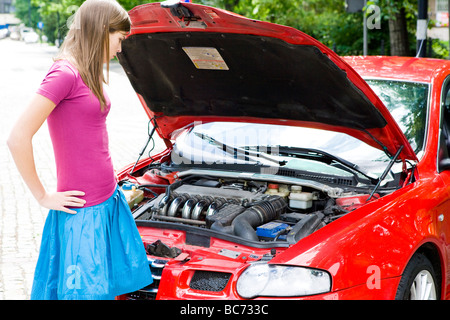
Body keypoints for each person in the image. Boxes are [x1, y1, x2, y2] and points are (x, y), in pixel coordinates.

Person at [7, 0, 152, 300]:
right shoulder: (65, 73)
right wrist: (43, 196)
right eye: (119, 39)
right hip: (82, 213)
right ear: (101, 30)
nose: (121, 49)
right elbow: (18, 136)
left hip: (107, 201)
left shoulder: (87, 70)